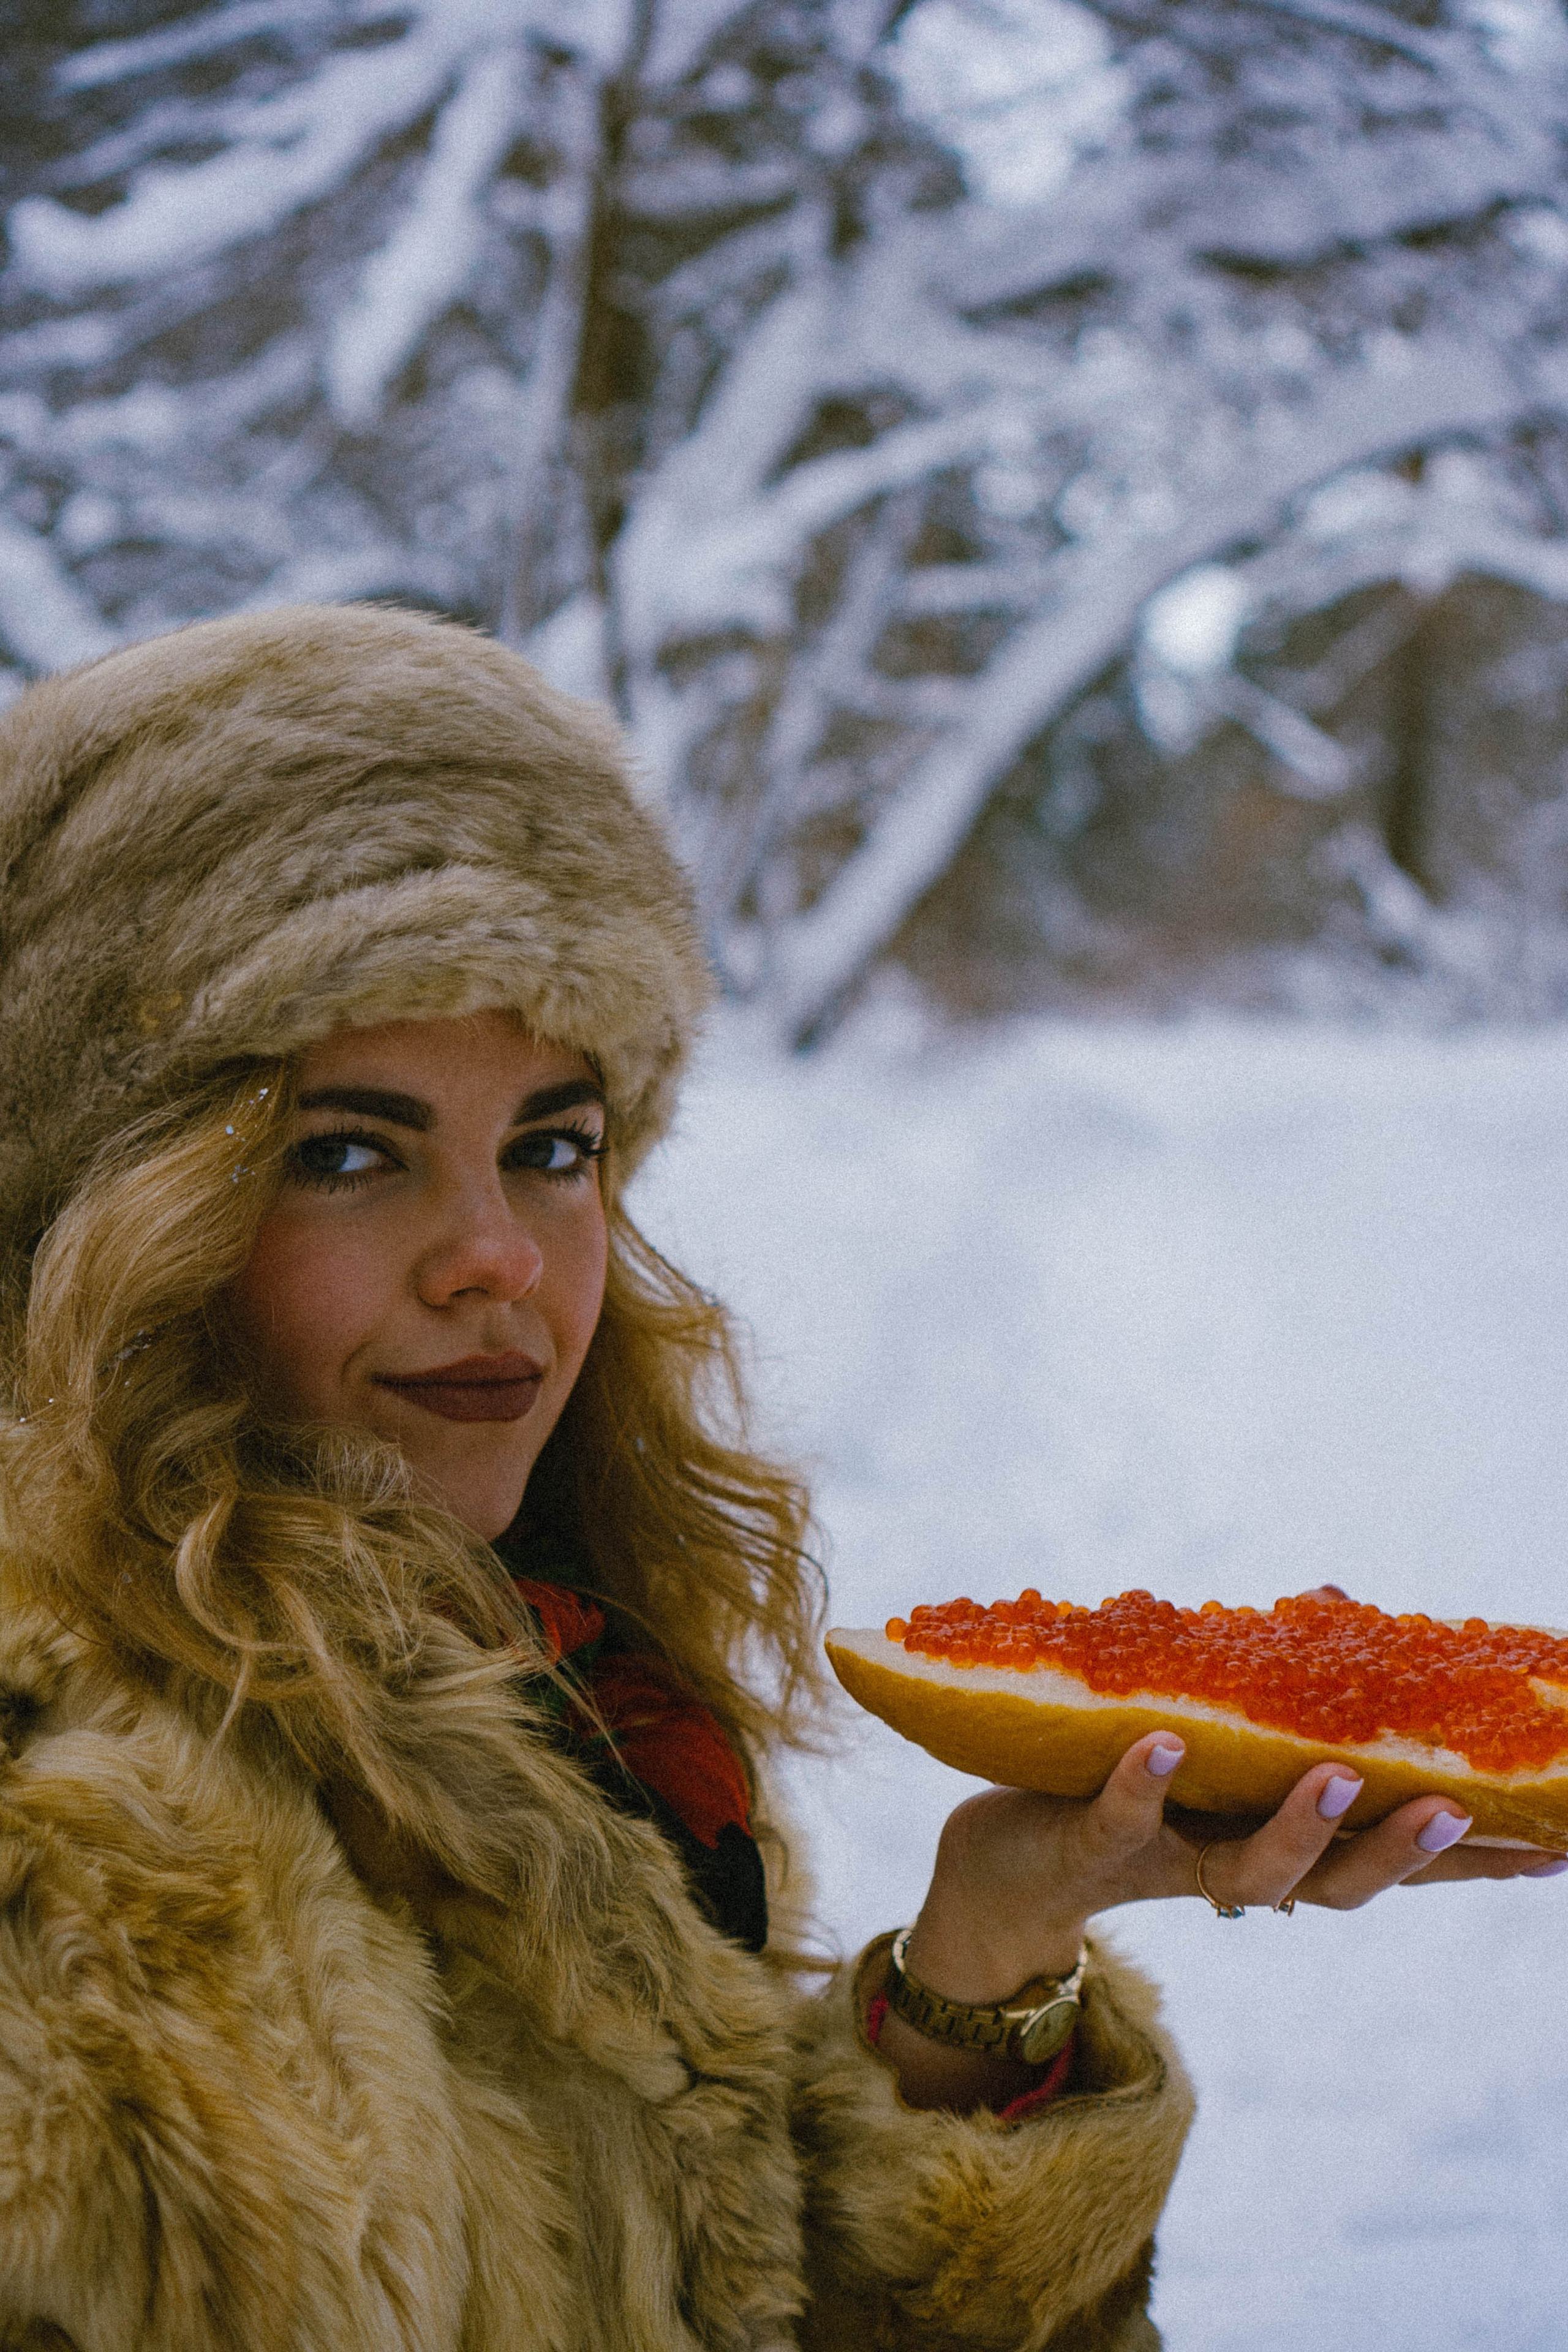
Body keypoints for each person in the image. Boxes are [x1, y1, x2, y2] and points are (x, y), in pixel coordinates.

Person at [0, 605, 1551, 2352]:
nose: (499, 1255)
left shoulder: (568, 1694)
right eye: (347, 1153)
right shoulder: (64, 1865)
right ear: (102, 1216)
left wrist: (990, 1964)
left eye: (554, 1145)